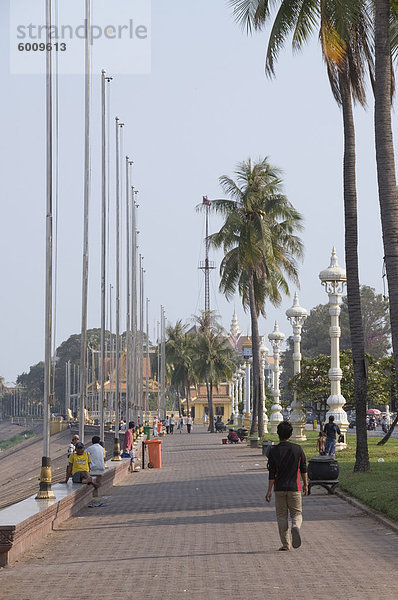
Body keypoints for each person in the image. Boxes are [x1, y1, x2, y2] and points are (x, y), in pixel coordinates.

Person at [266, 421, 308, 551]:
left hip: (279, 488)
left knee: (281, 516)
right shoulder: (297, 449)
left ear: (278, 434)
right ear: (291, 433)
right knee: (296, 513)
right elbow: (303, 469)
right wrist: (305, 484)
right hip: (295, 488)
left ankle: (286, 544)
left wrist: (268, 491)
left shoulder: (273, 451)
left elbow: (272, 474)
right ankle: (296, 526)